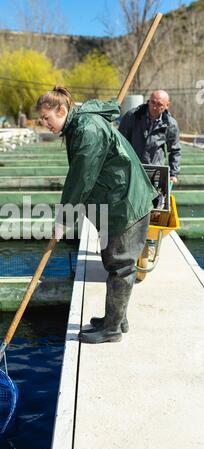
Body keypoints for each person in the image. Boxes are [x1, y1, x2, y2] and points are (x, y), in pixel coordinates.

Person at [36, 86, 158, 344]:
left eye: (47, 118)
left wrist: (63, 219)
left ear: (62, 110)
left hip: (125, 202)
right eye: (42, 120)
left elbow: (81, 177)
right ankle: (116, 317)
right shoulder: (78, 125)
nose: (45, 124)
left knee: (120, 264)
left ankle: (112, 329)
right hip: (115, 200)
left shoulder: (87, 129)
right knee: (112, 260)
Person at [118, 90, 181, 184]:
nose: (154, 107)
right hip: (132, 170)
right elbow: (119, 142)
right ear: (149, 101)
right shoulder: (132, 117)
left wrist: (173, 174)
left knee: (154, 198)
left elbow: (175, 150)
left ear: (167, 105)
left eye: (159, 104)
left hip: (155, 173)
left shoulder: (170, 124)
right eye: (152, 102)